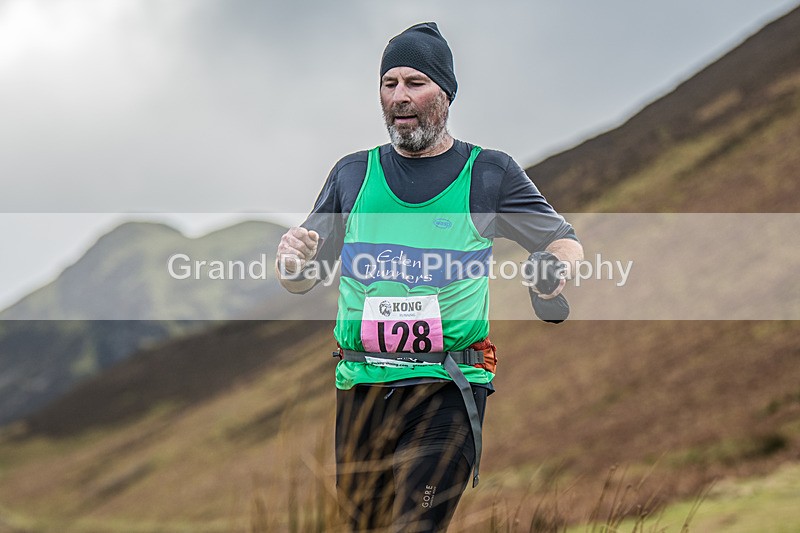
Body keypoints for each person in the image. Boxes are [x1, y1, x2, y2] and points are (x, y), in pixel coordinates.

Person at [276, 22, 583, 532]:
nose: (400, 97)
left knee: (413, 526)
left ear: (446, 92)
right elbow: (300, 278)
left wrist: (551, 271)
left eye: (415, 83)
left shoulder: (489, 173)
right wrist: (292, 261)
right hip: (361, 387)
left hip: (446, 385)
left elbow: (563, 239)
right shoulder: (352, 175)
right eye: (389, 83)